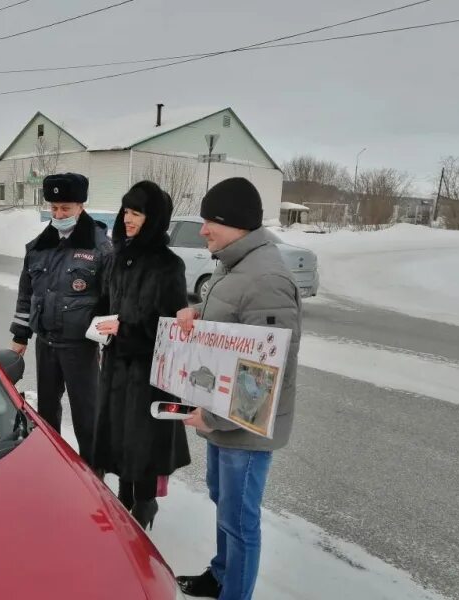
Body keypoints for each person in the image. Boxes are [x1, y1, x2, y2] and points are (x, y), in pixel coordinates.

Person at [175, 177, 302, 600]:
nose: (204, 229)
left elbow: (263, 372)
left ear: (238, 225)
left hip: (243, 426)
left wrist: (211, 417)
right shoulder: (236, 266)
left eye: (212, 220)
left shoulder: (265, 277)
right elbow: (234, 321)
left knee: (240, 519)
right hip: (223, 415)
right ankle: (222, 574)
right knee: (222, 500)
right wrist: (195, 312)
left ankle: (236, 593)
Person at [92, 181, 190, 529]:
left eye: (136, 213)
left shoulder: (168, 265)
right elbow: (106, 303)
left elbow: (170, 330)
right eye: (126, 211)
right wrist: (100, 324)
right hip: (117, 367)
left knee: (143, 448)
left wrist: (128, 332)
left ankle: (144, 511)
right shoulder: (118, 257)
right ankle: (124, 505)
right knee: (118, 443)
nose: (128, 219)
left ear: (154, 218)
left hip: (149, 375)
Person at [9, 173, 112, 464]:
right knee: (48, 413)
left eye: (65, 208)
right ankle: (52, 467)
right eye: (54, 208)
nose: (58, 214)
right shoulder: (38, 247)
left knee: (87, 415)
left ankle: (94, 474)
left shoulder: (100, 248)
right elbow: (26, 295)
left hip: (81, 347)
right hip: (47, 343)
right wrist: (20, 336)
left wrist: (107, 341)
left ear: (80, 206)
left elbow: (111, 300)